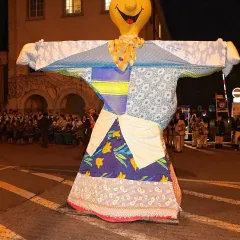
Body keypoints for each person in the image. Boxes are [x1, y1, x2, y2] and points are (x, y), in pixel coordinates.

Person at [17, 0, 240, 224]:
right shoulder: (106, 53)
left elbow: (191, 54)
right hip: (127, 123)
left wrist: (221, 52)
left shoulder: (156, 53)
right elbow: (72, 53)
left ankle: (130, 204)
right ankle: (118, 203)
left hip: (135, 124)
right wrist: (39, 53)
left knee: (118, 158)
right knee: (127, 158)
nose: (131, 6)